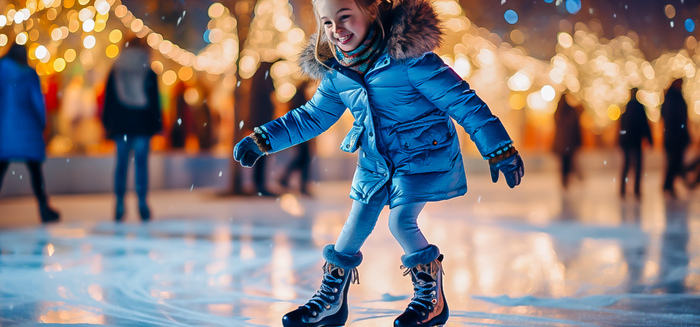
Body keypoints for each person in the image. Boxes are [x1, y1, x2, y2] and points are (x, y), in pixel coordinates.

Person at [233, 0, 524, 325]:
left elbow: (463, 101)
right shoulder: (338, 72)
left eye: (345, 17)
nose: (337, 30)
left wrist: (498, 147)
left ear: (372, 11)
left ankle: (431, 296)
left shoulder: (412, 61)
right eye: (327, 23)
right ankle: (332, 299)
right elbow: (311, 118)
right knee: (354, 225)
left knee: (401, 221)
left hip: (423, 154)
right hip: (375, 159)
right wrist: (264, 139)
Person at [102, 38, 162, 221]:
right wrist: (156, 125)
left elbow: (109, 100)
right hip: (141, 125)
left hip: (121, 126)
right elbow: (154, 102)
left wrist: (107, 123)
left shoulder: (117, 69)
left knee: (121, 166)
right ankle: (142, 203)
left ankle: (120, 203)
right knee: (141, 166)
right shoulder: (148, 69)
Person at [0, 43, 60, 223]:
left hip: (4, 131)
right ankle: (43, 208)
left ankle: (44, 207)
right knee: (36, 173)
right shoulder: (29, 74)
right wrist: (43, 124)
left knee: (1, 170)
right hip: (28, 131)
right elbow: (38, 103)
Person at [278, 80, 315, 196]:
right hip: (302, 132)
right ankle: (300, 184)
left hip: (300, 132)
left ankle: (286, 179)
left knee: (302, 159)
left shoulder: (297, 96)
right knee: (304, 159)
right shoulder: (300, 97)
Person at [247, 61, 277, 196]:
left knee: (261, 154)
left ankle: (258, 184)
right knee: (262, 154)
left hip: (260, 124)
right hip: (263, 124)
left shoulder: (256, 82)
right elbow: (271, 91)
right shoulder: (263, 79)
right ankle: (259, 185)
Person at [619, 88, 653, 199]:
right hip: (635, 141)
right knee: (637, 166)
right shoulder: (639, 107)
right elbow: (644, 125)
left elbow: (622, 127)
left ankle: (622, 190)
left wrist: (621, 140)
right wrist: (649, 139)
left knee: (627, 165)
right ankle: (636, 190)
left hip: (627, 141)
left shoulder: (626, 108)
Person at [660, 78, 690, 198]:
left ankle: (669, 185)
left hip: (674, 136)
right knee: (673, 162)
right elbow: (677, 118)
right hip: (674, 137)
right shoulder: (673, 98)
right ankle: (668, 185)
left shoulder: (672, 97)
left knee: (674, 162)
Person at [552, 93, 581, 189]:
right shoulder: (570, 111)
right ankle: (567, 182)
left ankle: (565, 182)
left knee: (565, 164)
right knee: (567, 163)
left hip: (562, 144)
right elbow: (576, 128)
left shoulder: (558, 112)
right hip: (568, 144)